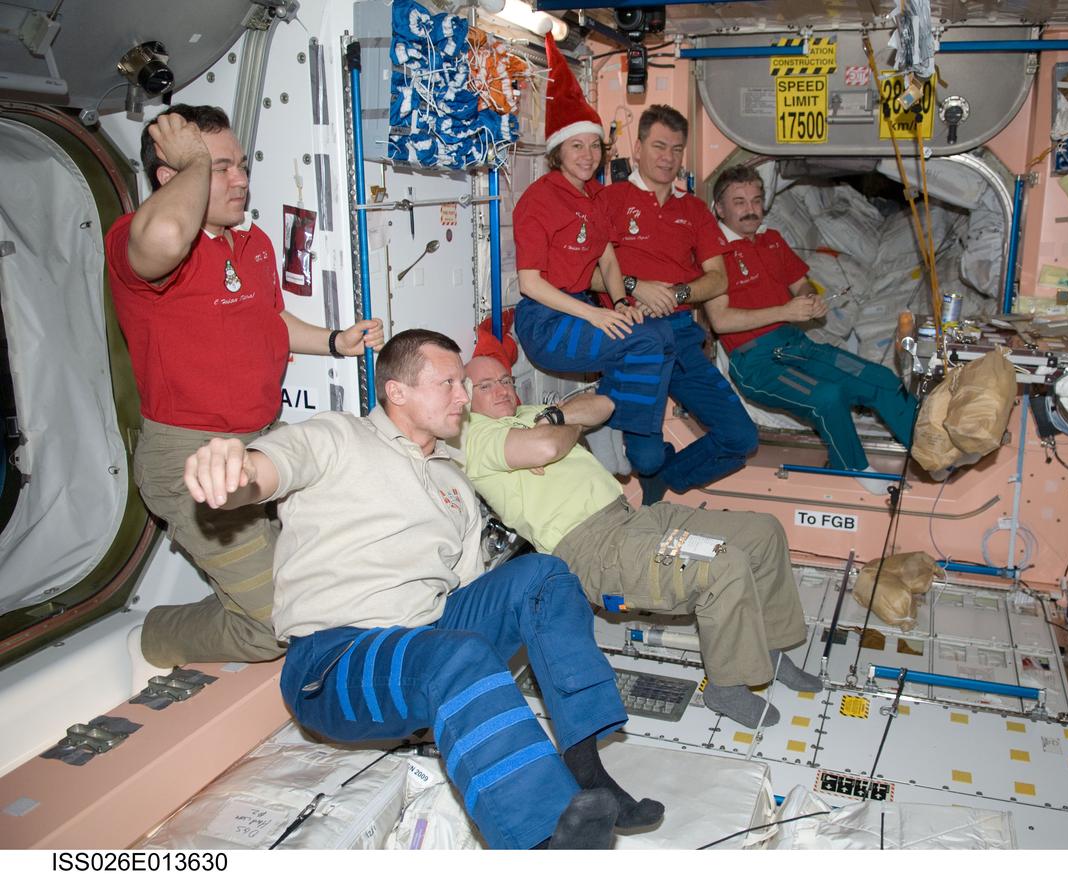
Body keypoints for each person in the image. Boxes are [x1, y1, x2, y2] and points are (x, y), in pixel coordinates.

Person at [180, 329, 662, 850]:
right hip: (335, 661)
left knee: (542, 574)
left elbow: (472, 589)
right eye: (449, 383)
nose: (463, 397)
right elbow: (266, 469)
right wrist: (233, 466)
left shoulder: (453, 479)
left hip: (429, 639)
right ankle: (544, 841)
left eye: (463, 383)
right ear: (398, 392)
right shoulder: (337, 437)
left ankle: (587, 767)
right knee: (453, 656)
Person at [106, 104, 384, 668]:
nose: (242, 178)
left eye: (242, 164)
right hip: (193, 455)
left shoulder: (249, 241)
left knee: (351, 553)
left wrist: (335, 341)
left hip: (266, 438)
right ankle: (150, 636)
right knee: (276, 629)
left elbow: (268, 319)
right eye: (220, 168)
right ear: (173, 178)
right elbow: (163, 232)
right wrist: (190, 163)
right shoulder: (139, 245)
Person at [463, 353, 822, 729]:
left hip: (634, 519)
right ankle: (726, 686)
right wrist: (564, 426)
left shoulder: (529, 415)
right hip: (595, 550)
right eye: (486, 386)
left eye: (505, 380)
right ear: (466, 397)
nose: (501, 389)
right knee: (723, 564)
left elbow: (603, 405)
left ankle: (770, 645)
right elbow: (547, 449)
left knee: (763, 532)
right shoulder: (476, 438)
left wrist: (555, 419)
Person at [513, 35, 673, 466]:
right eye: (576, 145)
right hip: (546, 322)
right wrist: (598, 314)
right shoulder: (538, 200)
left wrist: (621, 302)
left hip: (582, 307)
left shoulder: (597, 195)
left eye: (594, 145)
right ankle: (633, 439)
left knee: (662, 334)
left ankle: (610, 421)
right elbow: (529, 283)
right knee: (640, 344)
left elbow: (607, 257)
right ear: (558, 151)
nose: (587, 154)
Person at [704, 165, 918, 486]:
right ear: (719, 208)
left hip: (796, 344)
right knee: (827, 397)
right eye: (739, 202)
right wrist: (785, 310)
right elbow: (720, 319)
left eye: (756, 200)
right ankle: (852, 469)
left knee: (881, 378)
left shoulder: (772, 239)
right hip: (755, 363)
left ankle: (929, 449)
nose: (750, 210)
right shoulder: (713, 252)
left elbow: (801, 284)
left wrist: (810, 299)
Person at [596, 105, 757, 504]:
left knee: (741, 438)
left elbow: (717, 278)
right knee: (645, 459)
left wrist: (677, 294)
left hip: (682, 336)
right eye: (659, 146)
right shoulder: (608, 200)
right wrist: (637, 287)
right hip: (632, 339)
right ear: (638, 148)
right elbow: (583, 273)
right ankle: (655, 468)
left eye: (677, 148)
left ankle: (673, 475)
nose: (668, 157)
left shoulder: (694, 209)